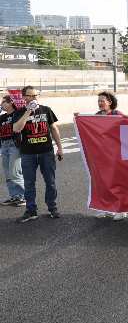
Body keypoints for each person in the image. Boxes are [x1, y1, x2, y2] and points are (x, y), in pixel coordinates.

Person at [13, 86, 63, 223]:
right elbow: (16, 129)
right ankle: (31, 210)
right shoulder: (19, 113)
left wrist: (60, 147)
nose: (34, 98)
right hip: (28, 154)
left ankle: (52, 208)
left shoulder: (46, 110)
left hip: (46, 152)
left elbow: (53, 128)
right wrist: (28, 111)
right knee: (29, 183)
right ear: (24, 98)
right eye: (31, 96)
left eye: (36, 95)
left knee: (50, 182)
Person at [94, 92, 127, 220]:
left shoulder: (117, 114)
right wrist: (78, 118)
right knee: (103, 182)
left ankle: (122, 209)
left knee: (117, 182)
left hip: (116, 154)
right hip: (102, 155)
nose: (100, 103)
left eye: (102, 100)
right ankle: (107, 208)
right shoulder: (96, 116)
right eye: (98, 101)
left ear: (110, 102)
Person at [0, 95, 25, 207]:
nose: (1, 104)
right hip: (4, 145)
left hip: (14, 145)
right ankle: (14, 196)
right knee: (7, 172)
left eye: (3, 102)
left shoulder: (18, 114)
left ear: (10, 102)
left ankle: (21, 197)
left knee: (15, 171)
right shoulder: (2, 117)